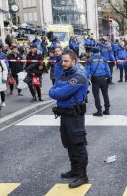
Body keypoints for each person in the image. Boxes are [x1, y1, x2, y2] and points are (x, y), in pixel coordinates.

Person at [49, 49, 89, 188]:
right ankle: (74, 170)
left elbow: (61, 93)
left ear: (74, 61)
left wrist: (56, 92)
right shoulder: (64, 74)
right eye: (62, 61)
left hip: (75, 115)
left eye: (66, 61)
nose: (63, 63)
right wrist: (56, 92)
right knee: (68, 144)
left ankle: (82, 176)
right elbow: (52, 91)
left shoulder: (79, 76)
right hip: (64, 114)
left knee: (78, 144)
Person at [85, 47, 111, 116]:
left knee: (96, 95)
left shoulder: (90, 60)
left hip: (95, 79)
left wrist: (86, 79)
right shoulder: (104, 59)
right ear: (99, 51)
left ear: (92, 52)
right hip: (103, 78)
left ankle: (99, 111)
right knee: (105, 94)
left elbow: (87, 71)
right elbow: (107, 69)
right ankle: (107, 110)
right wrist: (109, 77)